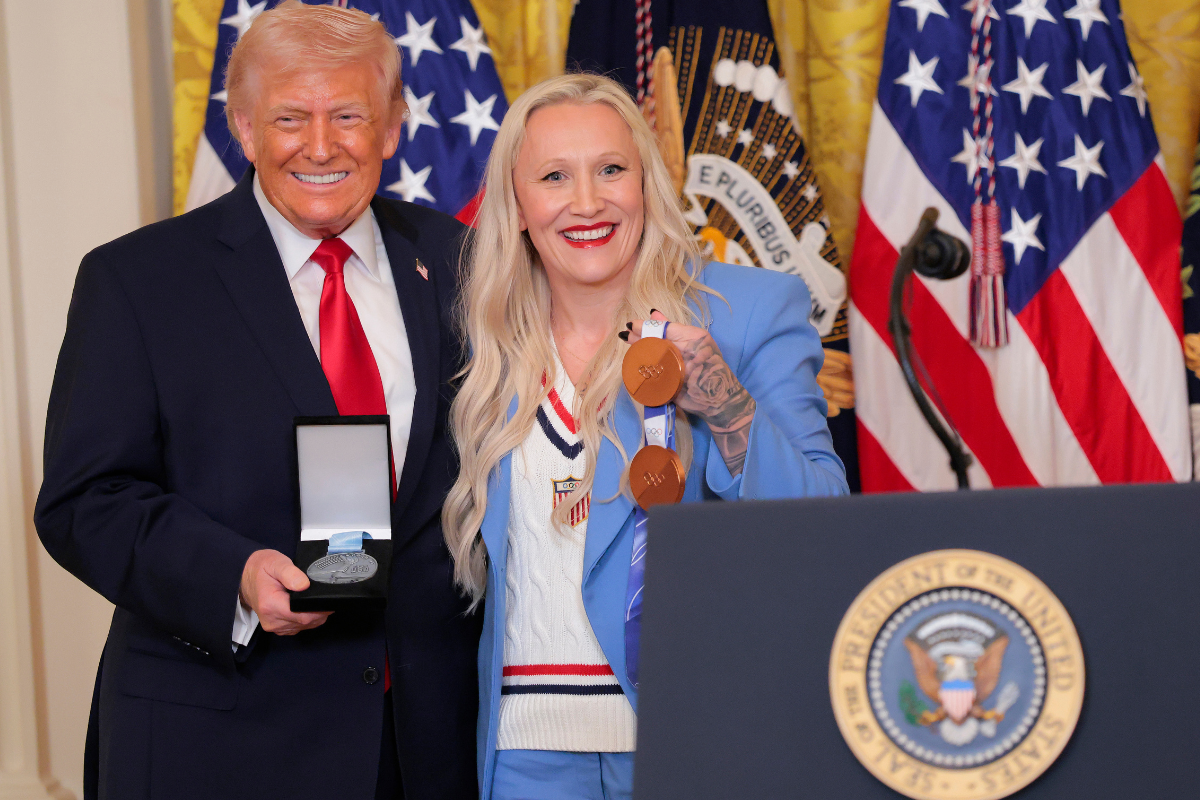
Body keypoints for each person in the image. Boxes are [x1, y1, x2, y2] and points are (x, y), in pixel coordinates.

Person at [34, 4, 478, 798]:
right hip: (218, 743)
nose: (320, 145)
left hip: (422, 747)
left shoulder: (461, 261)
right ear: (241, 127)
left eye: (349, 115)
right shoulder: (138, 282)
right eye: (289, 117)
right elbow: (82, 501)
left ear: (392, 126)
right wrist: (232, 574)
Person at [441, 73, 849, 800]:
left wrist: (727, 409)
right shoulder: (483, 340)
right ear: (518, 201)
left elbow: (823, 517)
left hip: (692, 739)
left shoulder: (749, 309)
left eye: (611, 170)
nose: (588, 202)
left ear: (646, 181)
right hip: (523, 752)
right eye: (554, 177)